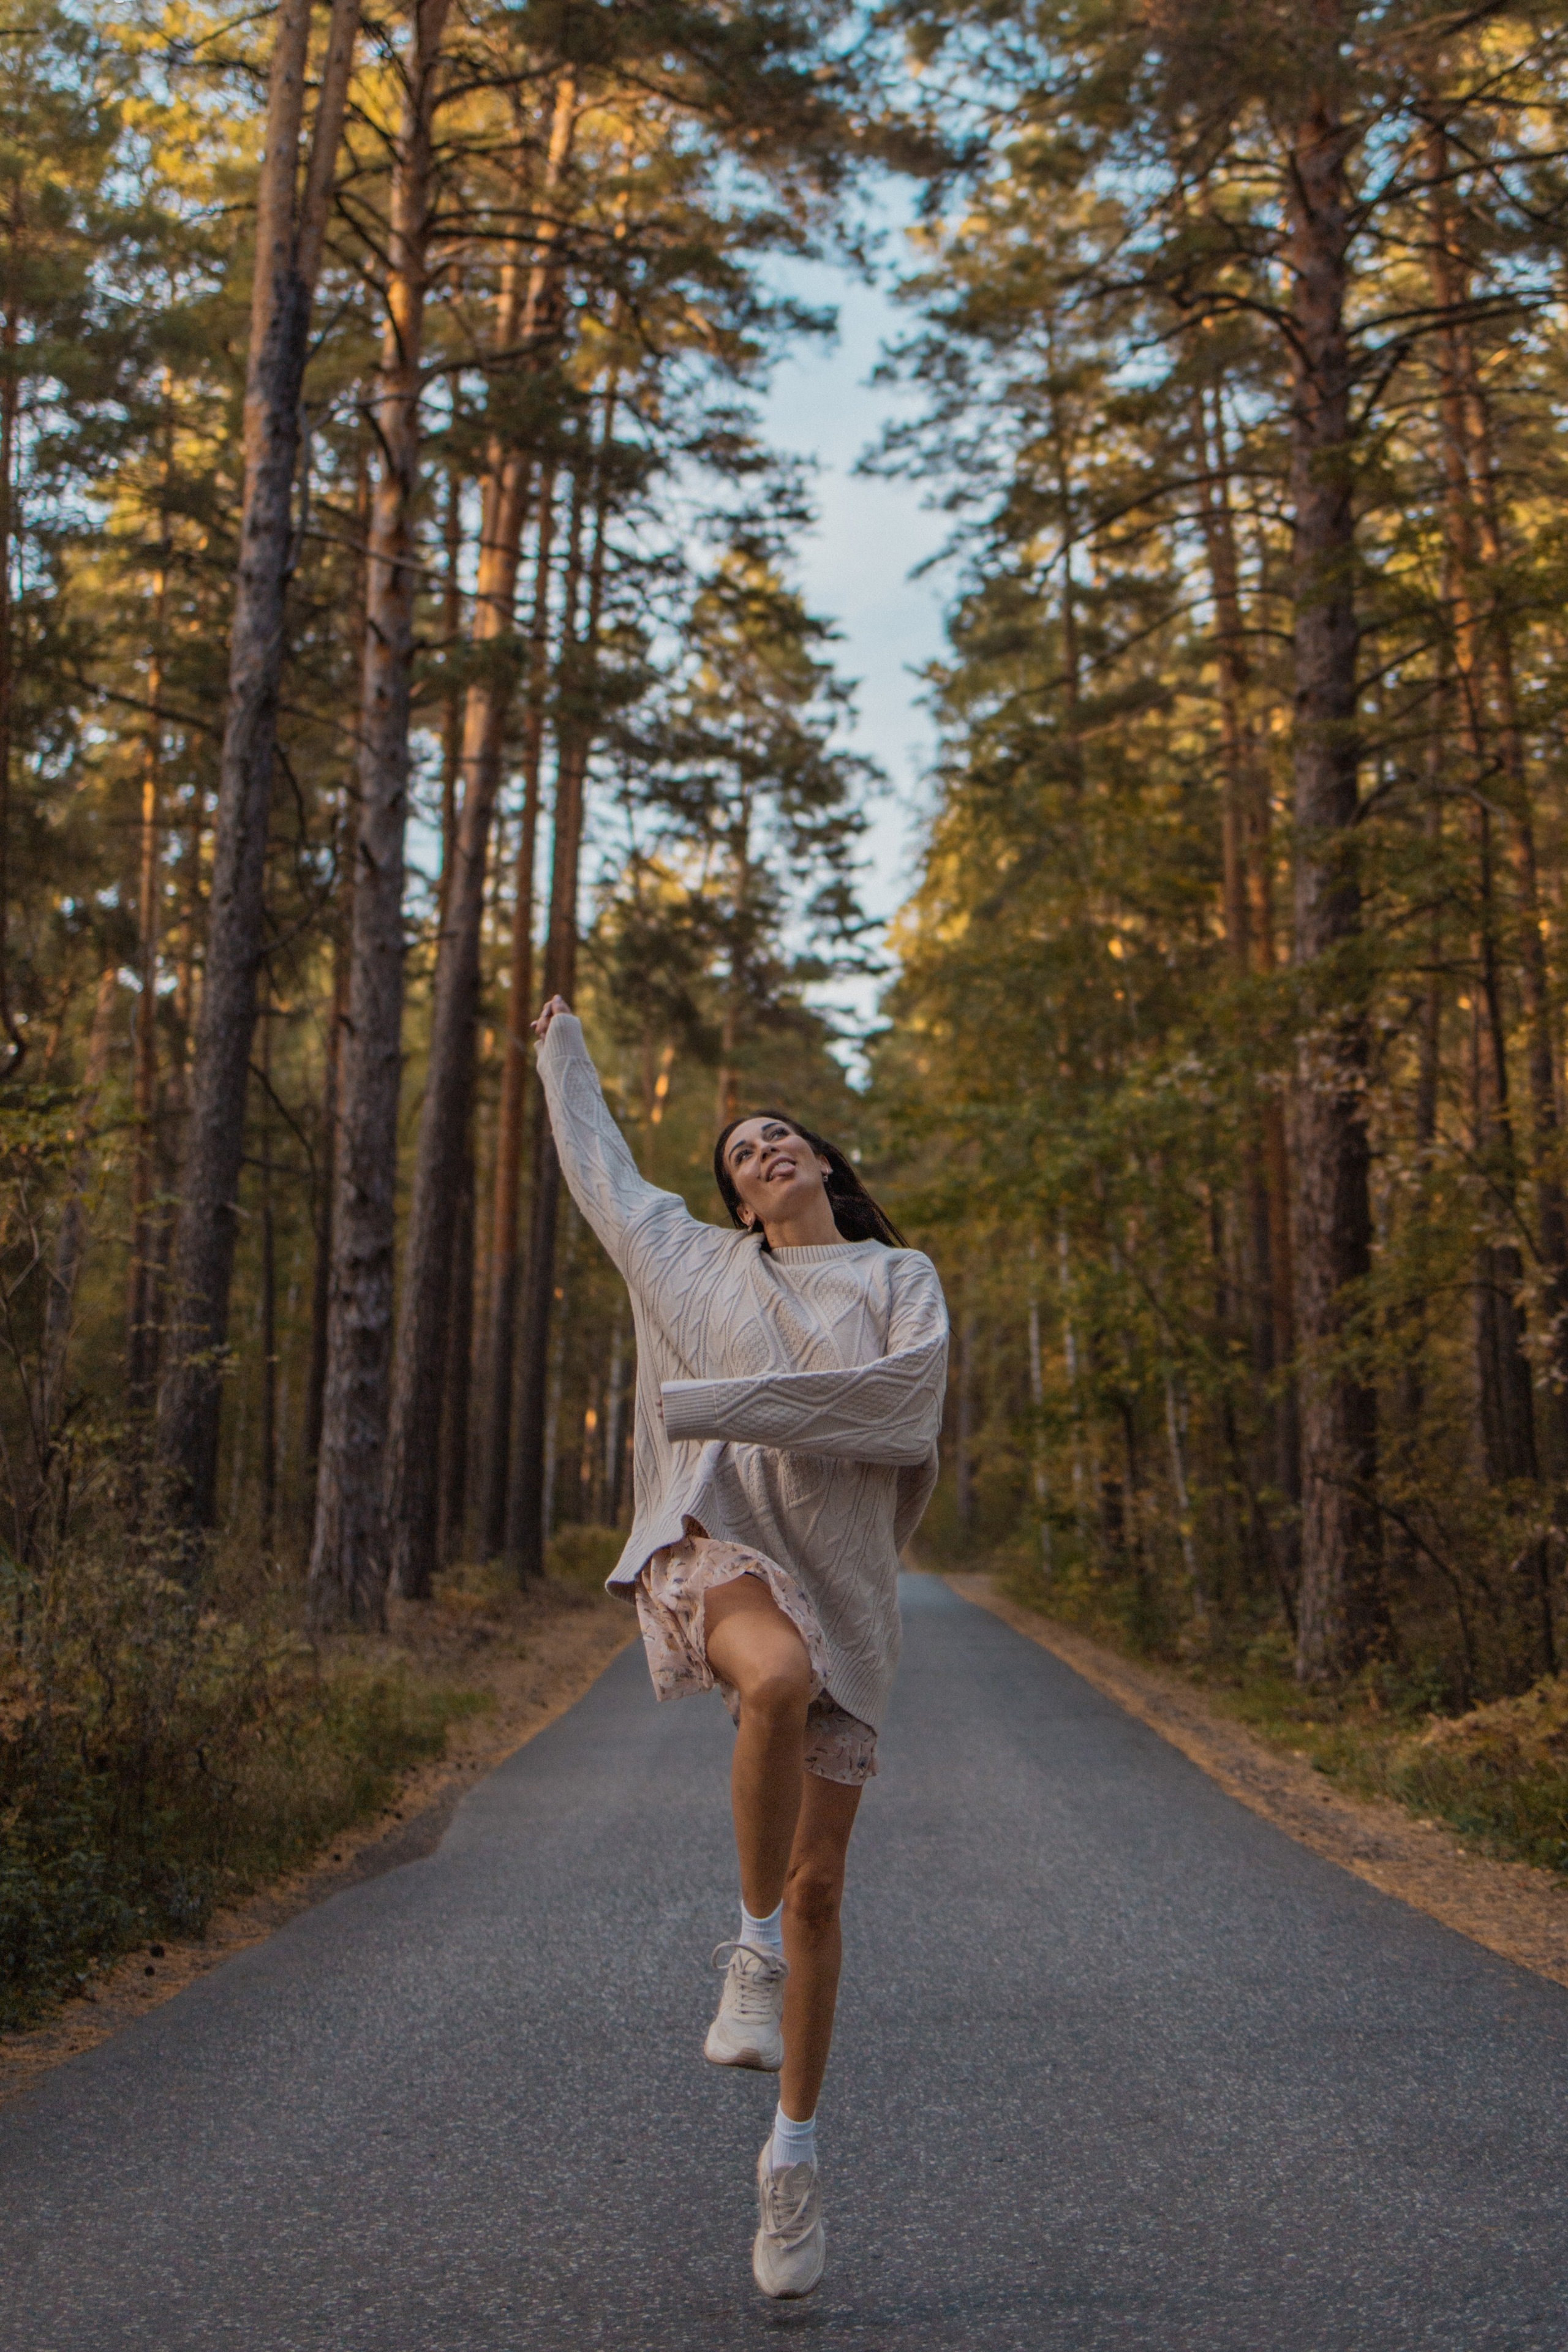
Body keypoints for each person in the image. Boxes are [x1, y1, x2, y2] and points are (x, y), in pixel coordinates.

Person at [531, 996, 949, 2301]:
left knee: (827, 1886)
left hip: (849, 1589)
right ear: (737, 1201)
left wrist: (714, 1402)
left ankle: (793, 2159)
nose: (759, 1153)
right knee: (767, 1678)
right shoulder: (699, 1267)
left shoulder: (897, 1280)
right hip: (711, 1546)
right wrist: (563, 1054)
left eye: (780, 1140)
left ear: (822, 1164)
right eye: (738, 1156)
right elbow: (603, 1176)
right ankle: (749, 1948)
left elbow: (896, 1412)